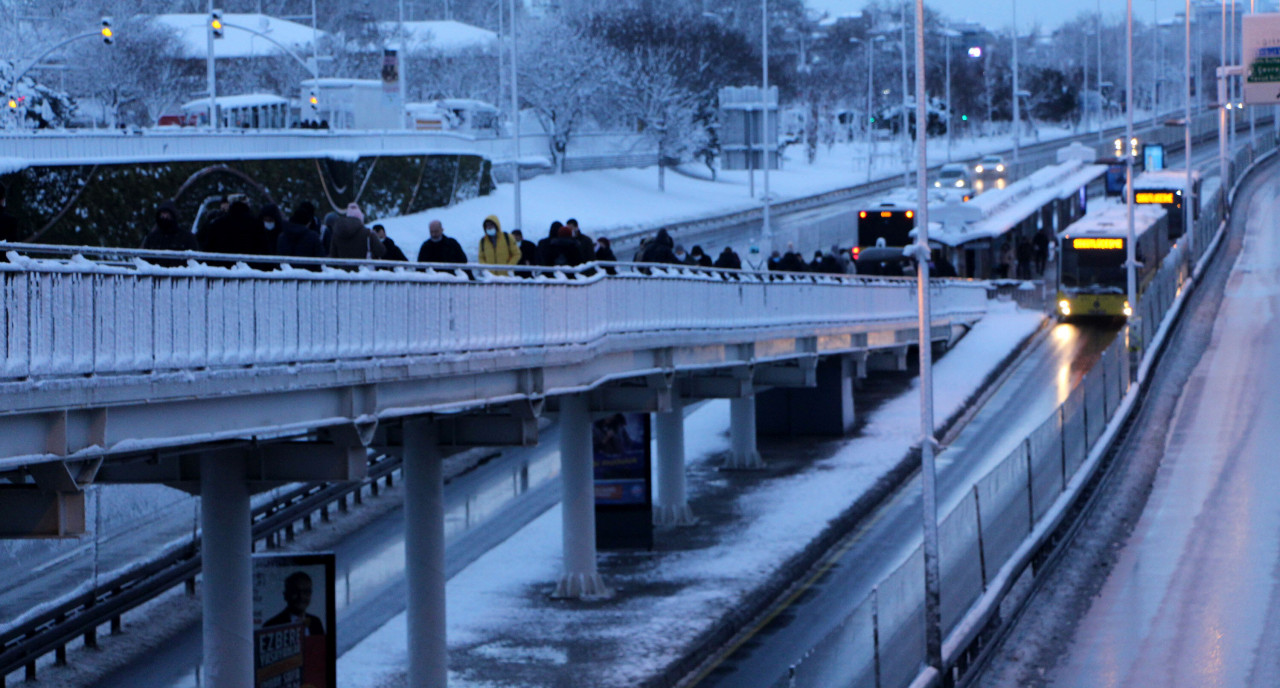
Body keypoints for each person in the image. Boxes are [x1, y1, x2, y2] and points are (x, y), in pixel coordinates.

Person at [263, 571, 325, 636]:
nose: (301, 596)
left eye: (306, 592)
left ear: (310, 594)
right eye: (295, 591)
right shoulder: (271, 626)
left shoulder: (316, 622)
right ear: (286, 595)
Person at [202, 199, 266, 256]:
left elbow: (208, 248)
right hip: (250, 264)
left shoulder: (217, 224)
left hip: (222, 263)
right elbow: (264, 248)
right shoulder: (256, 224)